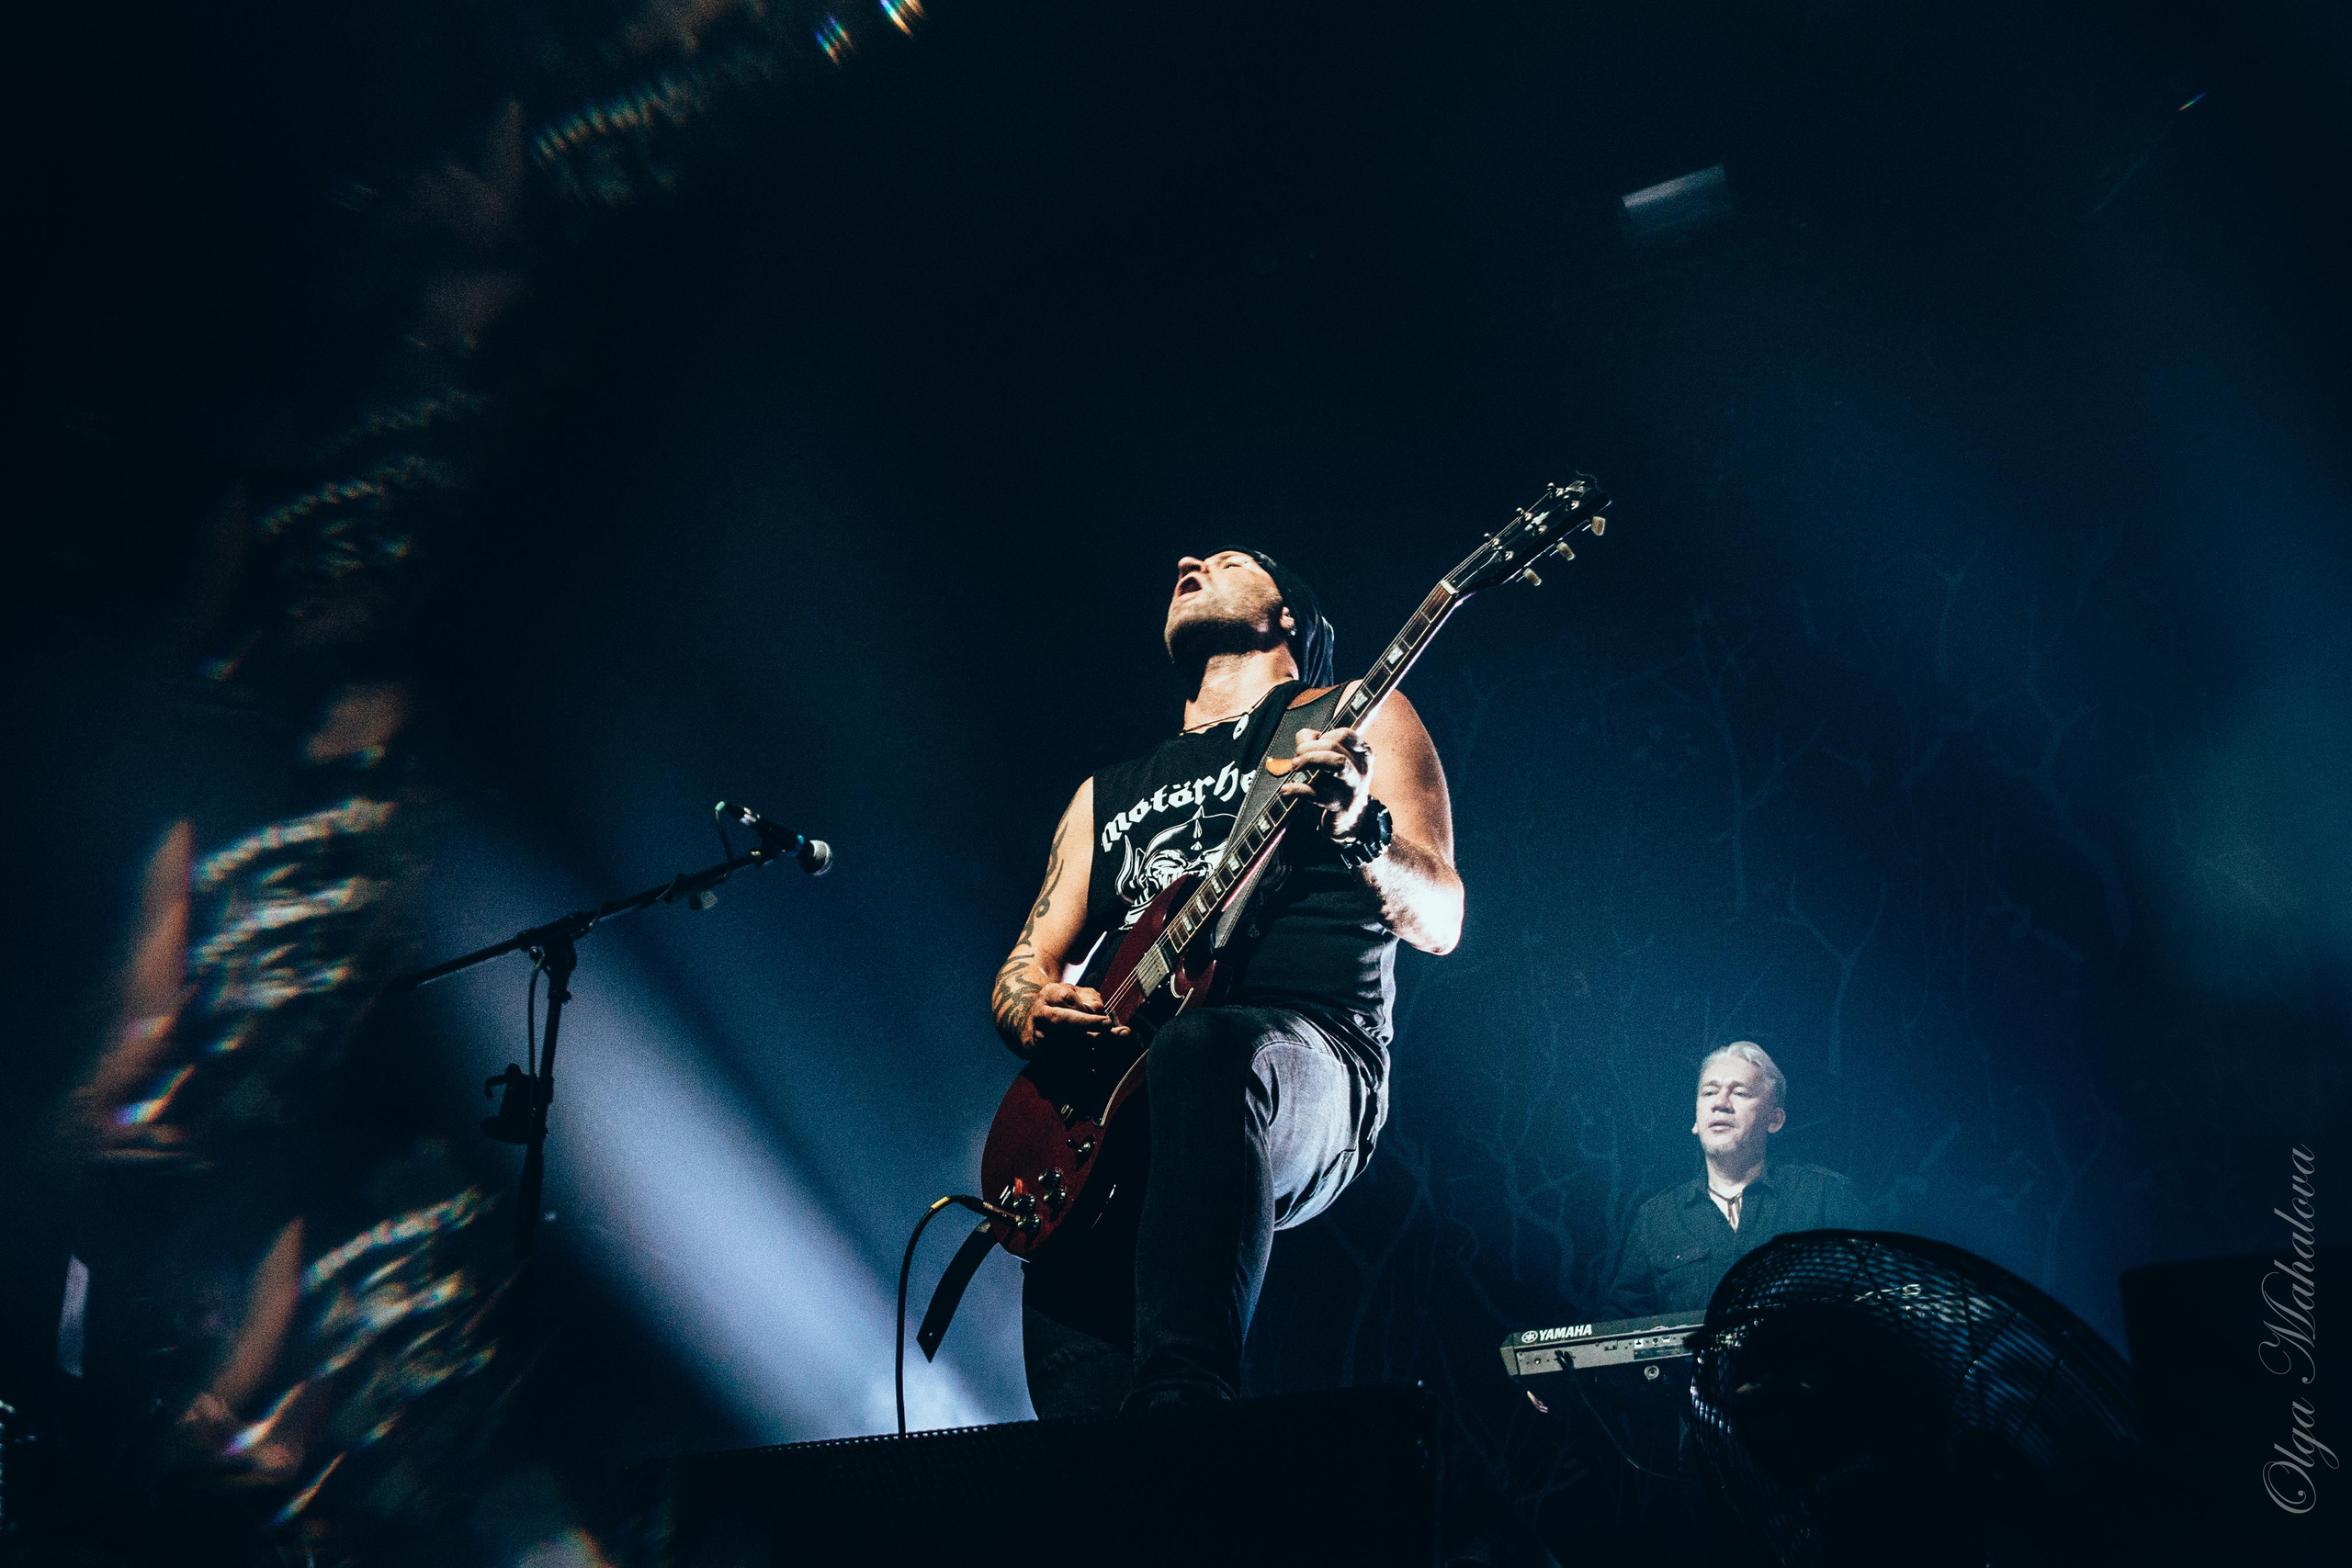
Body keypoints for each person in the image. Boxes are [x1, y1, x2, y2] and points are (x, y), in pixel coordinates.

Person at [990, 549, 1463, 1416]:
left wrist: (1360, 825)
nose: (1188, 561)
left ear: (1288, 617)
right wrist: (1035, 1008)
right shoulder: (1107, 793)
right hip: (1116, 1104)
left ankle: (1188, 1412)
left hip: (1308, 1057)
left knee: (1206, 1050)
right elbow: (1027, 964)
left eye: (1228, 561)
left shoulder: (1358, 713)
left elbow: (1441, 916)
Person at [1606, 1041, 1871, 1317]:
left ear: (1775, 1119)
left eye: (1740, 1093)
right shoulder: (1657, 1218)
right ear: (1696, 1120)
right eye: (1709, 1092)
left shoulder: (1824, 1197)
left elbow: (1878, 1301)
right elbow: (1619, 1324)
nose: (1720, 1104)